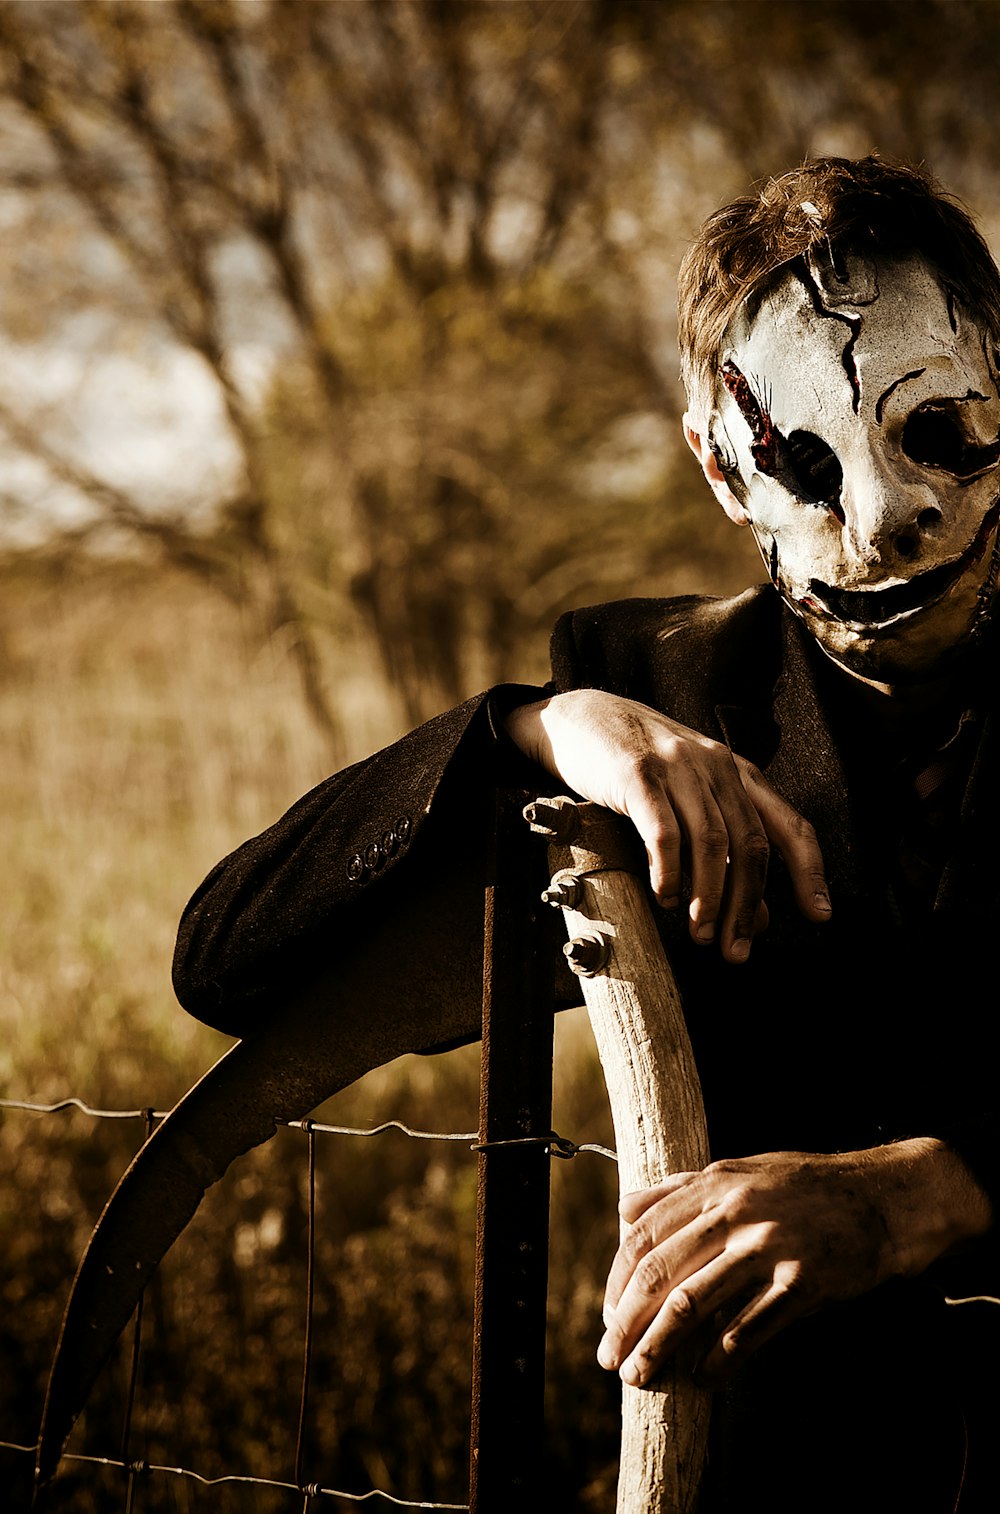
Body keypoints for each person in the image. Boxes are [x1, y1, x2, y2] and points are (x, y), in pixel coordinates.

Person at [173, 156, 1000, 1510]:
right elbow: (226, 960)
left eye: (940, 430)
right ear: (717, 469)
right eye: (802, 461)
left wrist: (942, 1185)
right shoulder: (662, 685)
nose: (884, 514)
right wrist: (539, 729)